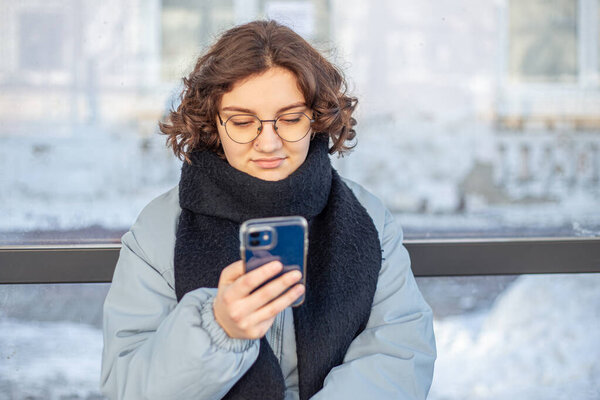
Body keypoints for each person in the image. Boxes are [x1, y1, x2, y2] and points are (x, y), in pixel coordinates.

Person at [100, 20, 436, 400]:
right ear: (213, 123)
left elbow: (398, 354)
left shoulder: (368, 219)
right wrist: (217, 330)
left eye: (291, 118)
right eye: (243, 122)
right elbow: (127, 386)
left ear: (317, 118)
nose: (269, 142)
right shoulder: (160, 230)